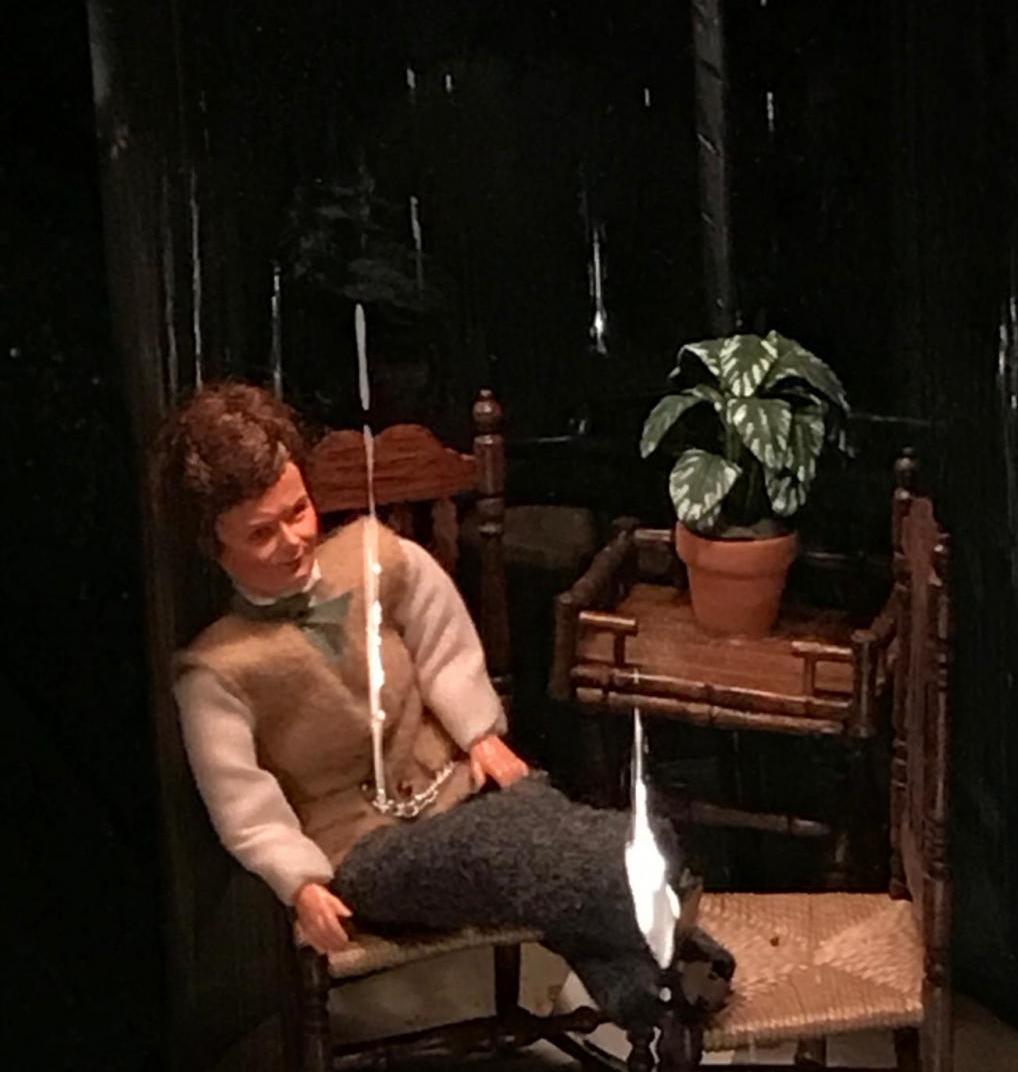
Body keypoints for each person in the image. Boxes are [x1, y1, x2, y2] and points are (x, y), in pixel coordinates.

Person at [155, 381, 731, 1025]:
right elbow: (244, 803)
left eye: (298, 512)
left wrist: (478, 732)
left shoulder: (375, 559)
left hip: (456, 785)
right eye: (262, 533)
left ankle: (659, 984)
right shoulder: (218, 670)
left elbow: (441, 643)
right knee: (499, 857)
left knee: (536, 818)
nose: (292, 540)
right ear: (215, 548)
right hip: (363, 848)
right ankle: (649, 866)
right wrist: (300, 881)